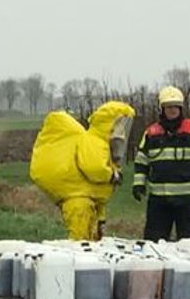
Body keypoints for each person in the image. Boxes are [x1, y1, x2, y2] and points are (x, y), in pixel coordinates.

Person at [28, 101, 135, 240]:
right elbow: (94, 169)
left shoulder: (101, 143)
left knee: (90, 239)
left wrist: (101, 216)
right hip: (78, 201)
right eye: (120, 123)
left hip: (85, 200)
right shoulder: (95, 143)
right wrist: (111, 175)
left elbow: (97, 193)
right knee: (80, 241)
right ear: (110, 123)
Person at [132, 86, 190, 241]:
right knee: (153, 242)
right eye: (169, 107)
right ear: (162, 109)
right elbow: (141, 161)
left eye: (176, 107)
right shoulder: (151, 133)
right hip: (159, 199)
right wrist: (138, 184)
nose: (173, 110)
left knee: (188, 243)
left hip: (186, 198)